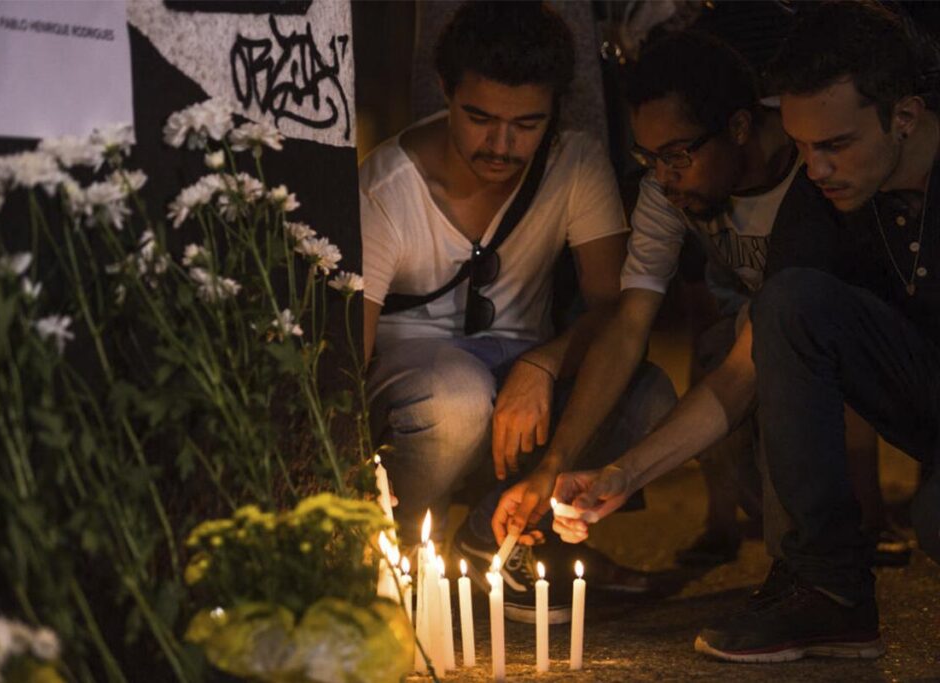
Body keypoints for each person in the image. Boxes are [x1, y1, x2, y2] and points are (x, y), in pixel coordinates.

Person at [549, 1, 939, 663]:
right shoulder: (822, 203)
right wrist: (620, 471)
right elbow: (742, 368)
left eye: (835, 144)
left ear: (903, 116)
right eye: (803, 147)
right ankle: (829, 587)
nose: (814, 169)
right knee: (788, 303)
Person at [360, 1, 675, 623]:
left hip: (515, 376)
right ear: (445, 92)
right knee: (456, 395)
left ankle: (489, 539)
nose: (502, 145)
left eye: (526, 124)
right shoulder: (388, 187)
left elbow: (611, 310)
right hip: (417, 386)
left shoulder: (575, 162)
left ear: (555, 110)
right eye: (479, 119)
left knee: (649, 399)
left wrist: (545, 363)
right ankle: (401, 549)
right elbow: (351, 353)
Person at [491, 29, 806, 562]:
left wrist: (629, 470)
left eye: (678, 155)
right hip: (763, 324)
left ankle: (814, 579)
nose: (663, 177)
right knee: (720, 356)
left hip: (855, 337)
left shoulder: (812, 165)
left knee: (780, 373)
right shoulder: (669, 185)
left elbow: (743, 372)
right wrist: (557, 463)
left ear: (739, 127)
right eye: (649, 158)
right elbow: (629, 323)